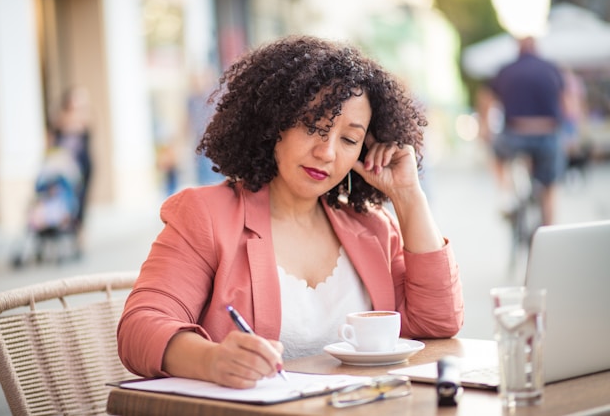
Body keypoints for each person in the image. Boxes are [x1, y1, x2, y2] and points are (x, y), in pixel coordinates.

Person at [117, 35, 464, 389]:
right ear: (274, 122)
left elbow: (438, 323)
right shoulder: (206, 215)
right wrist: (213, 360)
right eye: (312, 125)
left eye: (348, 139)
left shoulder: (373, 227)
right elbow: (139, 328)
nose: (326, 152)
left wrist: (408, 196)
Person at [478, 37, 565, 225]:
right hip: (548, 134)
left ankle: (506, 194)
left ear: (518, 49)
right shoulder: (551, 69)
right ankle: (549, 230)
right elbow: (567, 103)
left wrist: (485, 130)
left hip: (515, 134)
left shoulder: (507, 70)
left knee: (495, 153)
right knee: (549, 186)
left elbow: (487, 99)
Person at [47, 85, 93, 250]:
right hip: (63, 168)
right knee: (64, 199)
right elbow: (51, 144)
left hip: (82, 166)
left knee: (82, 202)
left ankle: (80, 233)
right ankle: (63, 228)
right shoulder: (59, 121)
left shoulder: (84, 119)